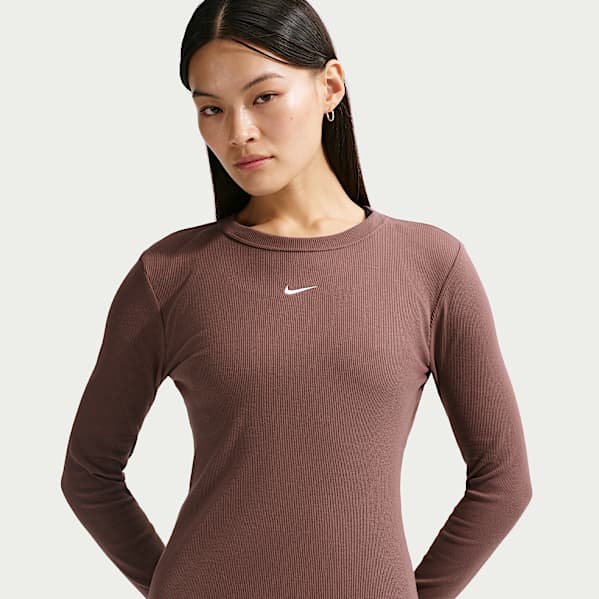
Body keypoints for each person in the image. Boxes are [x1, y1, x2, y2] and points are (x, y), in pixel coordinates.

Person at [60, 1, 533, 597]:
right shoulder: (170, 274)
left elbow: (503, 482)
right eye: (212, 108)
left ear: (329, 86)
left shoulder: (431, 266)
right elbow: (90, 474)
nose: (238, 132)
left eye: (263, 96)